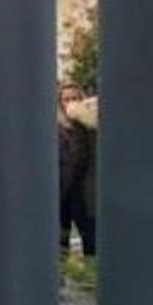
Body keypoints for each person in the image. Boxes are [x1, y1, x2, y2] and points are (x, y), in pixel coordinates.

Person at [57, 82, 96, 256]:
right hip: (60, 191)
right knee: (60, 239)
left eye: (74, 98)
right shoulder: (56, 127)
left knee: (90, 237)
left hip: (82, 191)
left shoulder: (87, 125)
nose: (70, 103)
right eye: (66, 99)